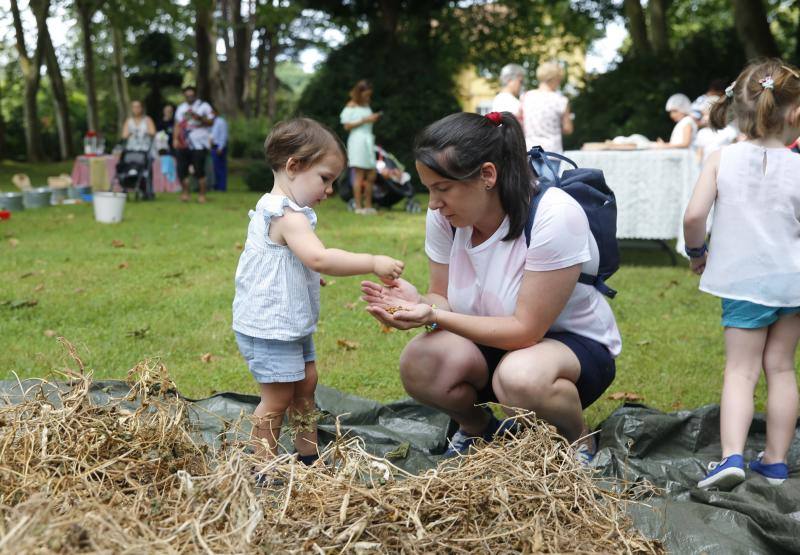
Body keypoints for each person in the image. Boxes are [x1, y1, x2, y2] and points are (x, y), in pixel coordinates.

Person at [361, 111, 620, 461]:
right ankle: (481, 431)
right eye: (429, 189)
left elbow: (525, 331)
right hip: (491, 340)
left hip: (568, 350)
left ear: (487, 175)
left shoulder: (553, 214)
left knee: (520, 378)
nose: (434, 203)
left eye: (443, 188)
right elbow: (443, 299)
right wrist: (420, 302)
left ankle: (577, 442)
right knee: (420, 361)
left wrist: (432, 314)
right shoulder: (445, 218)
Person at [232, 118, 405, 469]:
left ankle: (308, 455)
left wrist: (303, 275)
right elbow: (319, 257)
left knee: (306, 386)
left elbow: (289, 261)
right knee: (278, 397)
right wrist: (372, 260)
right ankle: (261, 465)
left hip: (288, 321)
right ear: (294, 166)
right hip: (270, 326)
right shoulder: (285, 214)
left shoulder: (287, 210)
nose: (328, 190)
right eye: (325, 179)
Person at [683, 59, 800, 490]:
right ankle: (774, 462)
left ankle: (731, 455)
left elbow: (695, 215)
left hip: (744, 285)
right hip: (793, 284)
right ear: (795, 113)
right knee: (782, 369)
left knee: (741, 371)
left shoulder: (721, 159)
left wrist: (698, 252)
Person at [340, 80, 381, 215]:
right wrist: (365, 120)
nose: (367, 97)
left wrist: (372, 119)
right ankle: (358, 207)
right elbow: (347, 126)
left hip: (368, 140)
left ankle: (368, 205)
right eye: (365, 94)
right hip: (357, 141)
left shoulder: (366, 104)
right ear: (359, 92)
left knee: (371, 174)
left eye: (369, 94)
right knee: (359, 175)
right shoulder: (351, 106)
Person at [520, 61, 573, 153]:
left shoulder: (526, 96)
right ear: (555, 79)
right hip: (552, 152)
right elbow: (568, 129)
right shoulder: (561, 100)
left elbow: (520, 122)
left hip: (530, 150)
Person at [174, 85, 214, 203]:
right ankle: (186, 193)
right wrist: (175, 139)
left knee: (199, 169)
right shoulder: (181, 108)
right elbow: (177, 124)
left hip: (199, 143)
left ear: (195, 95)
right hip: (183, 143)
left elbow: (211, 121)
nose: (189, 97)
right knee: (182, 169)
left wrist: (199, 117)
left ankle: (202, 195)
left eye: (191, 95)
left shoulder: (204, 106)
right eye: (187, 95)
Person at [210, 106, 228, 192]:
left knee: (220, 167)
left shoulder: (221, 122)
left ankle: (222, 187)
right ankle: (216, 185)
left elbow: (223, 135)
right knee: (214, 167)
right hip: (212, 146)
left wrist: (221, 147)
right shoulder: (211, 123)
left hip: (219, 147)